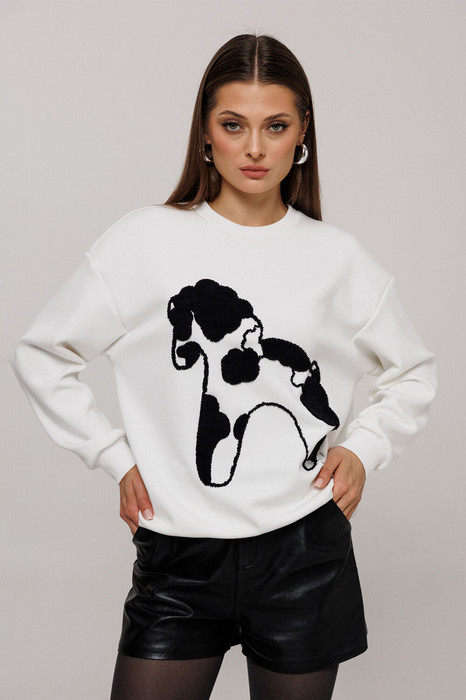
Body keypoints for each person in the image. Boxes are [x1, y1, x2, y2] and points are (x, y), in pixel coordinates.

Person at [9, 32, 438, 700]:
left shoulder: (337, 259)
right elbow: (42, 352)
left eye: (276, 126)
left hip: (303, 554)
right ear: (205, 133)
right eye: (234, 125)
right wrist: (112, 455)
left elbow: (413, 371)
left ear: (303, 133)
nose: (255, 147)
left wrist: (363, 448)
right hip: (179, 558)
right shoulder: (145, 242)